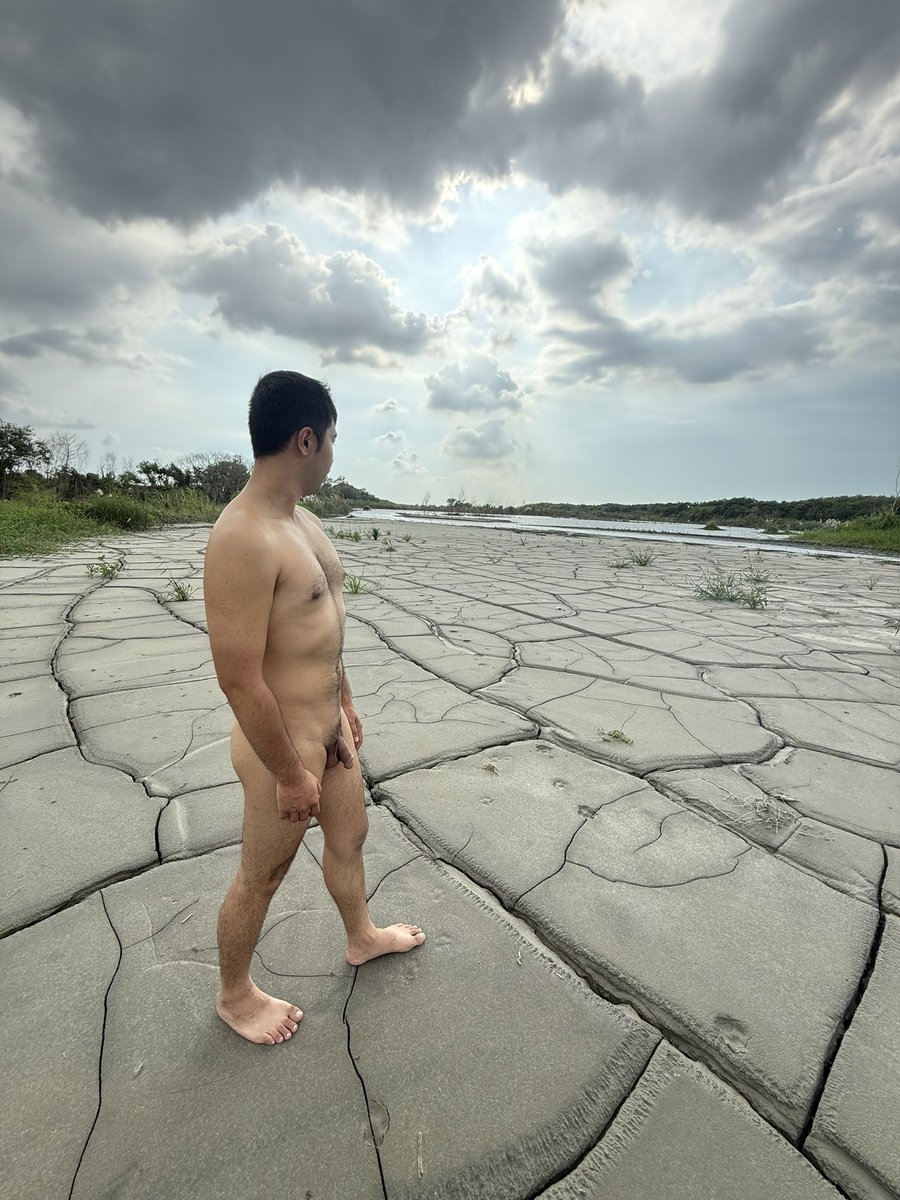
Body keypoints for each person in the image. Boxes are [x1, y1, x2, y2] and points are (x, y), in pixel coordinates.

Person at [203, 370, 425, 1046]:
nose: (333, 452)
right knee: (262, 875)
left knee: (349, 838)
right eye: (331, 439)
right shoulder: (242, 538)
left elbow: (321, 631)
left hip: (330, 733)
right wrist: (290, 774)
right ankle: (235, 995)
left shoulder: (305, 524)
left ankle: (360, 935)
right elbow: (239, 681)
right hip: (283, 750)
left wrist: (347, 700)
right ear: (305, 440)